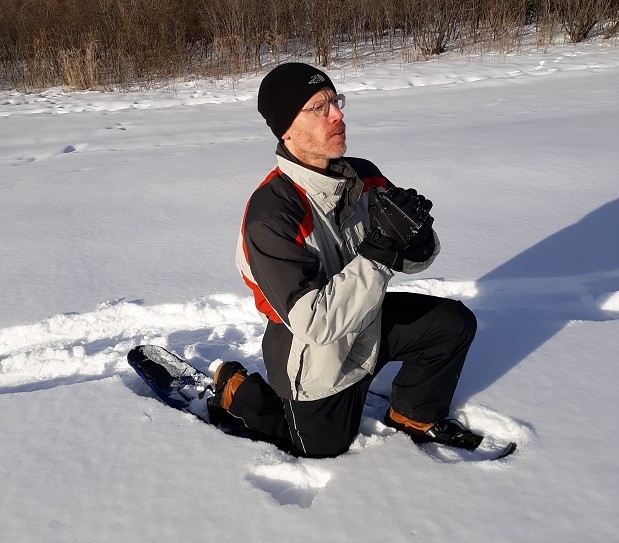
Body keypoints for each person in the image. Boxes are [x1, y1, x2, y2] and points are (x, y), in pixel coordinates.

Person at [207, 62, 480, 458]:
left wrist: (418, 243)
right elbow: (316, 324)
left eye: (335, 102)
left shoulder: (363, 176)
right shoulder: (272, 216)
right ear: (287, 129)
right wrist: (382, 251)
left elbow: (406, 259)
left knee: (451, 325)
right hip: (311, 352)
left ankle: (412, 416)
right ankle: (238, 391)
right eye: (319, 108)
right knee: (322, 447)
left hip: (366, 318)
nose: (337, 115)